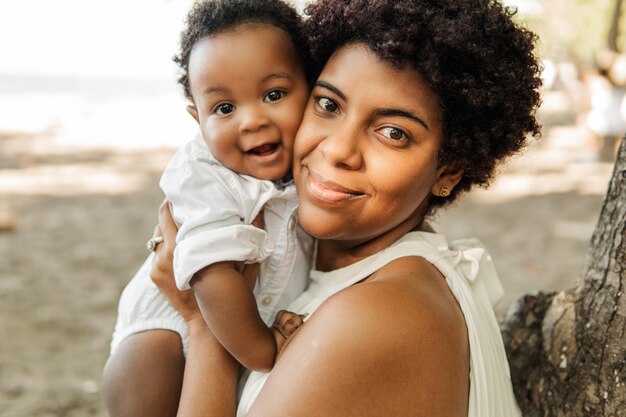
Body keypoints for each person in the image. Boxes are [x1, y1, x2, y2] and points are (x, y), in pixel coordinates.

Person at [148, 0, 542, 415]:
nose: (337, 150)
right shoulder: (362, 272)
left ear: (449, 171)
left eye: (393, 132)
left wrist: (203, 323)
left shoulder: (373, 316)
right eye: (329, 105)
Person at [103, 1, 313, 415]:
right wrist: (262, 350)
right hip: (166, 333)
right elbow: (212, 274)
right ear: (197, 119)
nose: (251, 121)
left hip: (237, 329)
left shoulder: (306, 170)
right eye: (224, 108)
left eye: (273, 95)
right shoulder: (203, 175)